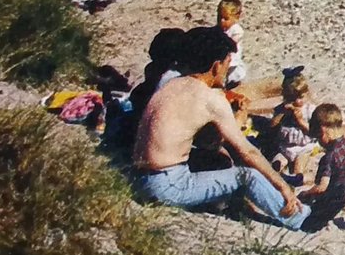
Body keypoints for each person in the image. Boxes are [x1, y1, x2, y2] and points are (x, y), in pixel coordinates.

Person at [131, 27, 307, 230]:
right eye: (227, 64)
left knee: (216, 159)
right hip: (167, 186)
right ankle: (300, 219)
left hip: (139, 178)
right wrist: (283, 186)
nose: (227, 70)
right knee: (246, 176)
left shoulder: (170, 83)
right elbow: (248, 152)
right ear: (216, 66)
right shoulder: (210, 98)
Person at [297, 104, 345, 231]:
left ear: (323, 131)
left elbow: (322, 187)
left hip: (330, 202)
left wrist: (305, 194)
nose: (319, 142)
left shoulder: (330, 156)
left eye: (318, 137)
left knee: (303, 218)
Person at [217, 0, 247, 87]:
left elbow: (231, 43)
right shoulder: (219, 29)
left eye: (226, 18)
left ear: (236, 17)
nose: (222, 21)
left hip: (232, 62)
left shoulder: (236, 30)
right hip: (221, 61)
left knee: (231, 80)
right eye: (220, 17)